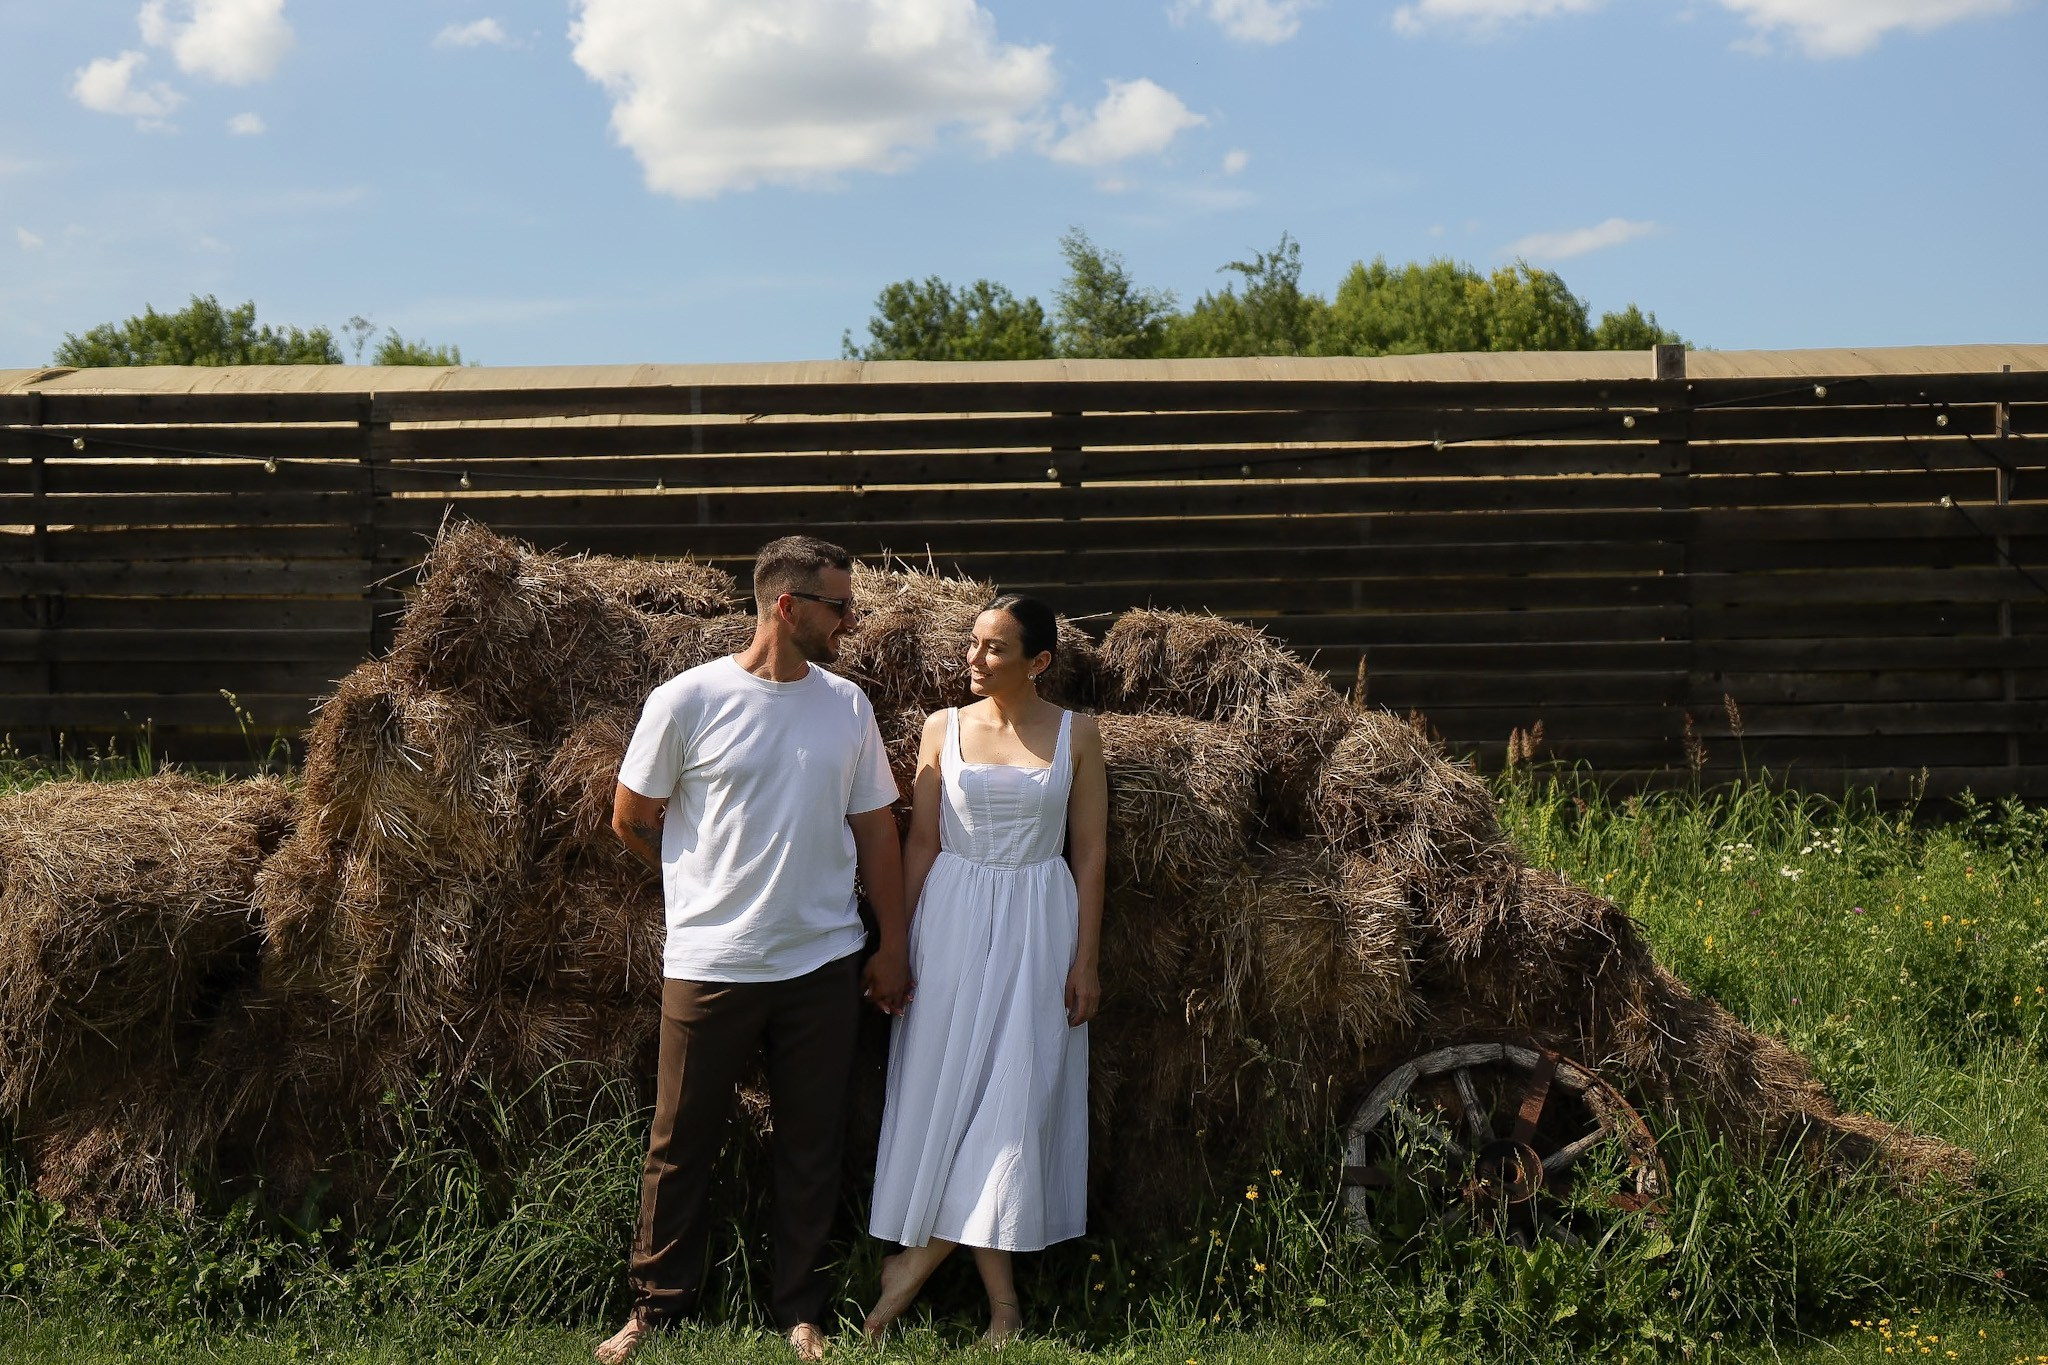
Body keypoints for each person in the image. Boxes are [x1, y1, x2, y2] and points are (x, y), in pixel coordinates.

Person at [595, 535, 910, 1365]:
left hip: (823, 963)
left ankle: (802, 1310)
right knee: (680, 1142)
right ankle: (655, 1310)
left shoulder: (847, 706)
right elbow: (631, 816)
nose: (851, 620)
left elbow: (876, 830)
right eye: (839, 606)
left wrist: (893, 943)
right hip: (711, 964)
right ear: (788, 605)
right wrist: (702, 889)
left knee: (811, 1142)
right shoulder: (687, 700)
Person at [862, 593, 1108, 1345]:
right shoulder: (943, 728)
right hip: (955, 917)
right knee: (955, 1100)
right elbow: (922, 841)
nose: (974, 658)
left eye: (995, 648)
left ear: (1038, 661)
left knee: (1013, 1106)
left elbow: (1090, 851)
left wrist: (1086, 959)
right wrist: (897, 942)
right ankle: (1004, 1309)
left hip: (1040, 918)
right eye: (973, 643)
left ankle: (914, 1266)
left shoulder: (1078, 734)